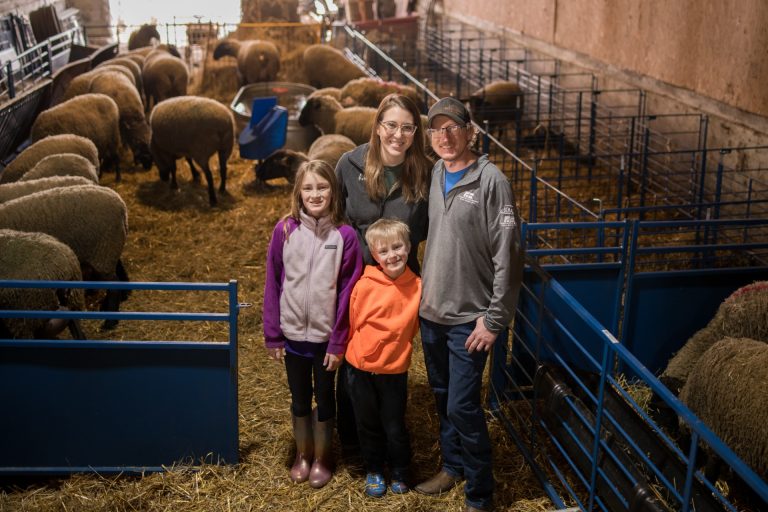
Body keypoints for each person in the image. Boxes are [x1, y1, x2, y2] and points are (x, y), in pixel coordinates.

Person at [415, 97, 524, 512]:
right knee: (443, 398)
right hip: (433, 313)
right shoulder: (436, 172)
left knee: (463, 404)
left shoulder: (492, 180)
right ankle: (452, 466)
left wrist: (495, 320)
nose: (444, 136)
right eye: (436, 129)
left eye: (452, 128)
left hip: (469, 319)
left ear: (470, 131)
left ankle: (480, 493)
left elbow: (509, 254)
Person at [334, 92, 432, 453]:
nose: (398, 134)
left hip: (400, 287)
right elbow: (334, 220)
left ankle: (392, 440)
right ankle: (352, 442)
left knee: (391, 360)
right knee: (352, 360)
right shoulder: (349, 164)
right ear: (377, 127)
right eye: (391, 125)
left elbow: (434, 228)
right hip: (357, 283)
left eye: (408, 127)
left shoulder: (425, 172)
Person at [262, 159, 363, 489]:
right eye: (308, 188)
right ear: (298, 192)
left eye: (322, 187)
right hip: (292, 337)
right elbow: (273, 281)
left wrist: (338, 341)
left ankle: (323, 456)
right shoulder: (285, 230)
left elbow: (348, 292)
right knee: (299, 397)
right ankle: (303, 454)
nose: (315, 194)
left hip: (324, 340)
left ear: (333, 192)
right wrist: (273, 333)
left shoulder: (344, 236)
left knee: (325, 396)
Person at [344, 218, 421, 497]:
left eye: (398, 247)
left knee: (394, 423)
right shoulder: (365, 284)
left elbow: (412, 328)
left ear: (409, 247)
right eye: (384, 251)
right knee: (367, 422)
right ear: (374, 255)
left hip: (394, 369)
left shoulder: (417, 287)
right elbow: (354, 322)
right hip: (360, 367)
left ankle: (401, 469)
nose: (393, 255)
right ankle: (374, 469)